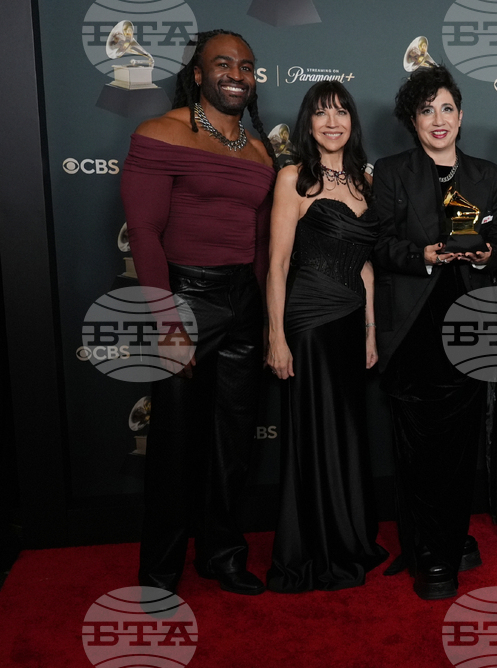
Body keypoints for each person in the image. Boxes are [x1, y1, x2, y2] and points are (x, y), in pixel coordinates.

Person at [121, 29, 275, 595]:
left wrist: (263, 317)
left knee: (232, 441)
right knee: (174, 447)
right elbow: (143, 231)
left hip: (242, 302)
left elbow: (260, 246)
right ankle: (160, 571)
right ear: (197, 74)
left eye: (248, 65)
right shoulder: (160, 133)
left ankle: (223, 555)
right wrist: (167, 323)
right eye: (224, 63)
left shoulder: (260, 150)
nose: (237, 73)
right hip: (184, 296)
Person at [371, 65, 497, 600]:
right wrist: (421, 255)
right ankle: (423, 544)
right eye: (426, 109)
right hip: (410, 331)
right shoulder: (390, 172)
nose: (438, 119)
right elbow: (379, 245)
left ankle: (445, 549)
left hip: (469, 330)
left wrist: (487, 252)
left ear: (461, 115)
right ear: (412, 118)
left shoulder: (490, 176)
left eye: (447, 108)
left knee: (457, 448)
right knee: (413, 447)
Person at [264, 81, 389, 593]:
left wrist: (370, 330)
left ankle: (349, 533)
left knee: (348, 431)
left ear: (353, 123)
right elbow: (276, 264)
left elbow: (365, 267)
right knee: (314, 433)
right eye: (321, 114)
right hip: (309, 321)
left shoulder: (366, 180)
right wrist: (276, 336)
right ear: (307, 123)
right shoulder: (293, 177)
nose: (332, 122)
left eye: (341, 113)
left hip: (349, 321)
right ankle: (313, 545)